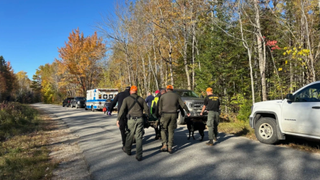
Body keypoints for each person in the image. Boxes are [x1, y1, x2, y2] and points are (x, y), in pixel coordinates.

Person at [117, 85, 149, 161]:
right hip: (140, 119)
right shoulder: (141, 99)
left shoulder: (126, 99)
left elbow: (121, 110)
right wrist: (147, 117)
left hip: (131, 120)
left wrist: (118, 119)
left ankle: (128, 150)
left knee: (129, 135)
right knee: (139, 137)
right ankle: (139, 155)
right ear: (136, 91)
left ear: (131, 91)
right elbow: (147, 109)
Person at [158, 85, 190, 153]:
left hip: (165, 114)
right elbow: (182, 104)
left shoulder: (162, 96)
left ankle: (164, 144)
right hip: (174, 114)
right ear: (172, 90)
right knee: (171, 130)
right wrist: (187, 111)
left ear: (167, 90)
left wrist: (160, 115)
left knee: (163, 129)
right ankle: (170, 147)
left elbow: (160, 107)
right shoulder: (176, 96)